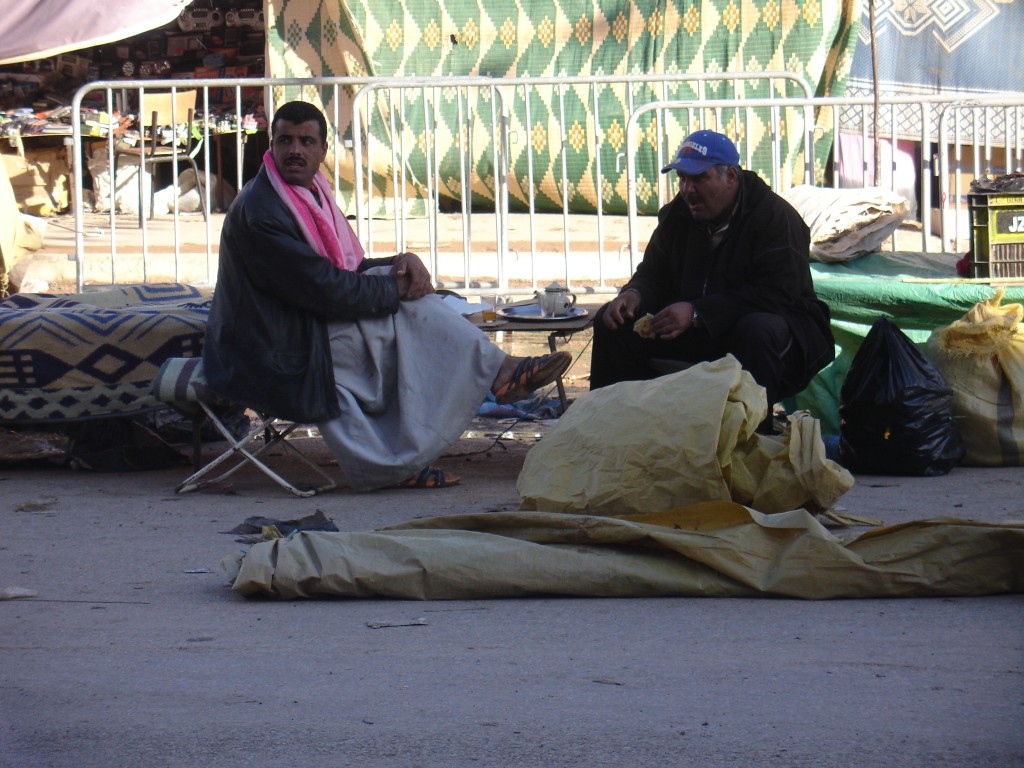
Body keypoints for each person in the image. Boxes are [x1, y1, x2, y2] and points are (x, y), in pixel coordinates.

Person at [202, 100, 570, 490]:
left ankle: (496, 374)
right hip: (266, 346)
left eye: (306, 141)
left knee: (414, 307)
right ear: (270, 147)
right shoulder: (262, 210)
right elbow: (325, 288)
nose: (295, 151)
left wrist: (400, 262)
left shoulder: (310, 193)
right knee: (406, 324)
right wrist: (397, 285)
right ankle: (491, 379)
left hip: (299, 323)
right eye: (285, 141)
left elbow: (348, 266)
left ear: (323, 151)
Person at [589, 130, 834, 431]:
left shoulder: (775, 218)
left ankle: (752, 438)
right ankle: (610, 431)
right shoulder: (678, 215)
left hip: (776, 336)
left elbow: (778, 294)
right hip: (698, 330)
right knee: (611, 322)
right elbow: (654, 272)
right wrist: (634, 294)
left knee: (755, 329)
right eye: (682, 179)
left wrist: (697, 312)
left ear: (730, 176)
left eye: (699, 179)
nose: (688, 189)